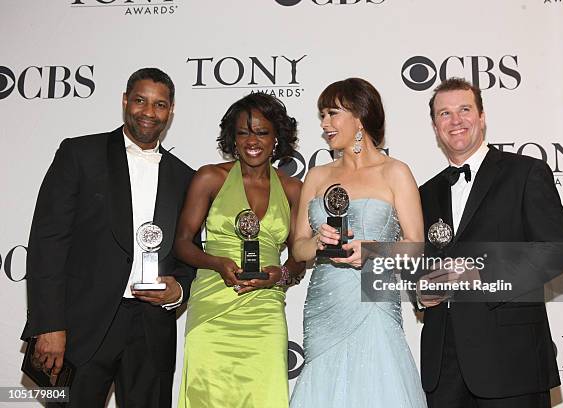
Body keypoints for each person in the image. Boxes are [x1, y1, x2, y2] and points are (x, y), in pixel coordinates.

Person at [21, 67, 196, 407]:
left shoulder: (184, 177)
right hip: (81, 327)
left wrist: (179, 289)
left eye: (160, 105)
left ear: (171, 111)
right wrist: (49, 324)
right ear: (124, 101)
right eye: (141, 101)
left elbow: (189, 252)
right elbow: (48, 243)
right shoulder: (80, 154)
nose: (149, 112)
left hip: (151, 329)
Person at [418, 77, 563, 408]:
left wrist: (481, 278)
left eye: (464, 109)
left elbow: (557, 253)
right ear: (435, 127)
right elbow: (420, 264)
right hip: (444, 368)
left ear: (482, 116)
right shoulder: (424, 193)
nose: (455, 120)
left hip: (511, 360)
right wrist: (419, 291)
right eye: (444, 114)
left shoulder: (526, 173)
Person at [290, 78, 427, 408]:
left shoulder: (394, 172)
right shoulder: (318, 176)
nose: (325, 124)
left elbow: (417, 245)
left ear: (360, 117)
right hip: (325, 302)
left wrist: (371, 250)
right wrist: (319, 243)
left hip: (374, 295)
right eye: (322, 115)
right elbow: (298, 247)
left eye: (333, 113)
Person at [173, 92, 304, 408]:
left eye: (262, 132)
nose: (252, 140)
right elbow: (181, 243)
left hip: (265, 312)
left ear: (277, 138)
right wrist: (216, 263)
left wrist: (280, 274)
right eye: (244, 132)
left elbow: (299, 258)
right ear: (232, 137)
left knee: (264, 396)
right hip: (212, 307)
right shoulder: (210, 177)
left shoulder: (294, 190)